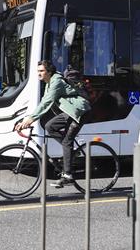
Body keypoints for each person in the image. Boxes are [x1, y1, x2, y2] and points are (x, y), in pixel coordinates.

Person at [16, 60, 91, 188]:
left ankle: (68, 176)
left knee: (67, 142)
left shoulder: (56, 81)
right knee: (49, 126)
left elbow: (47, 102)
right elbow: (43, 102)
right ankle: (71, 152)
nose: (39, 73)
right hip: (69, 112)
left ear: (49, 72)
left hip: (79, 111)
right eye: (38, 71)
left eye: (41, 71)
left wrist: (31, 119)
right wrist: (26, 118)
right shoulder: (49, 83)